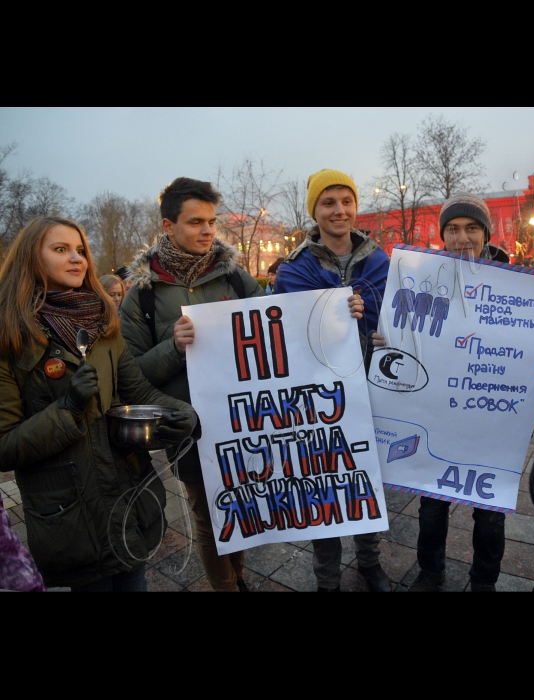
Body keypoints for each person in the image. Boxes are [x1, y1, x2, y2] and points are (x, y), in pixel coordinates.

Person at [0, 217, 198, 591]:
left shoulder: (102, 324)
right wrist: (68, 409)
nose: (77, 259)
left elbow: (138, 392)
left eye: (80, 251)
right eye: (61, 250)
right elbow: (4, 447)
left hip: (126, 500)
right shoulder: (9, 337)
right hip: (71, 519)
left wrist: (179, 413)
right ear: (30, 258)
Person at [120, 177, 268, 593]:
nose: (207, 231)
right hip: (189, 429)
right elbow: (131, 375)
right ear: (168, 226)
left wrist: (340, 311)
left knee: (240, 505)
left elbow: (282, 329)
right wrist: (173, 347)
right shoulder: (143, 296)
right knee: (208, 516)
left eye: (212, 221)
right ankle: (224, 586)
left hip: (243, 421)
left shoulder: (235, 279)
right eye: (195, 222)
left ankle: (238, 578)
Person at [275, 168, 391, 592]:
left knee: (364, 480)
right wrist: (331, 316)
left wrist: (370, 326)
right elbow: (287, 336)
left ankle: (370, 561)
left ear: (355, 207)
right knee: (323, 483)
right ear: (315, 211)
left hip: (370, 393)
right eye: (329, 202)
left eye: (346, 201)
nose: (339, 210)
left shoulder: (382, 263)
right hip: (318, 399)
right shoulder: (293, 271)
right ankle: (326, 576)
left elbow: (396, 328)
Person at [407, 191, 509, 593]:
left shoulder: (517, 288)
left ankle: (484, 580)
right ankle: (430, 571)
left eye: (471, 228)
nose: (461, 237)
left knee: (490, 515)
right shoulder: (424, 280)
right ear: (443, 235)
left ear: (485, 234)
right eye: (452, 229)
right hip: (439, 416)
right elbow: (409, 339)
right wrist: (389, 339)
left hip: (492, 419)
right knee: (432, 506)